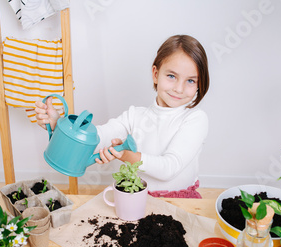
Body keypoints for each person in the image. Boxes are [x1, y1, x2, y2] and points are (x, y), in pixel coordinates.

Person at [34, 35, 210, 198]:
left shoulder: (195, 119)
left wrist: (129, 156)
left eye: (190, 80)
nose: (179, 88)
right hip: (136, 200)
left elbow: (169, 168)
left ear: (199, 83)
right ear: (156, 74)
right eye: (172, 76)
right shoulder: (134, 116)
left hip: (179, 203)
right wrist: (61, 126)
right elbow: (98, 137)